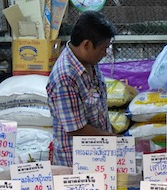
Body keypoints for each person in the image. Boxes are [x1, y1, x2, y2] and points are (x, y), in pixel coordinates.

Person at [47, 11, 117, 167]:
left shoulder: (89, 61)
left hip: (98, 154)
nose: (105, 53)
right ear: (86, 45)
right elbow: (76, 129)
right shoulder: (65, 77)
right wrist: (110, 138)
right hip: (75, 163)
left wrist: (110, 133)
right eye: (103, 49)